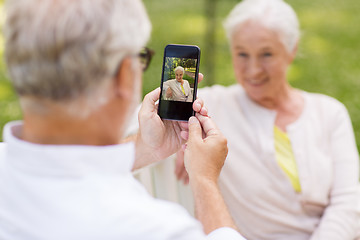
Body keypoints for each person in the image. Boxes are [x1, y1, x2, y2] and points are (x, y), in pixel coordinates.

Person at [0, 0, 246, 239]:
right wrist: (204, 180)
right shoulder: (154, 228)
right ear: (124, 76)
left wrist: (147, 148)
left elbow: (63, 166)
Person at [175, 0, 360, 239]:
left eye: (266, 54)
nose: (253, 70)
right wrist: (177, 130)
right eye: (242, 54)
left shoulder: (329, 113)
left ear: (292, 49)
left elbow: (348, 202)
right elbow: (126, 127)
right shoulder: (212, 106)